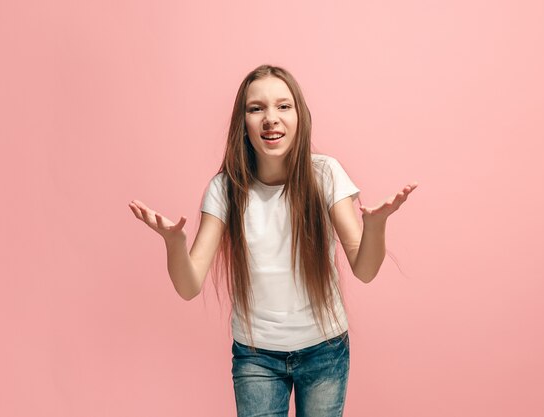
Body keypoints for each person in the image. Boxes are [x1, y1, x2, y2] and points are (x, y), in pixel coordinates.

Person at [128, 64, 417, 417]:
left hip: (325, 351)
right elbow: (189, 286)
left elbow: (366, 269)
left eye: (283, 106)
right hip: (255, 358)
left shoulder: (325, 174)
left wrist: (376, 226)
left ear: (300, 117)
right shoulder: (225, 189)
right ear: (243, 123)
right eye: (256, 108)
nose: (270, 118)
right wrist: (174, 244)